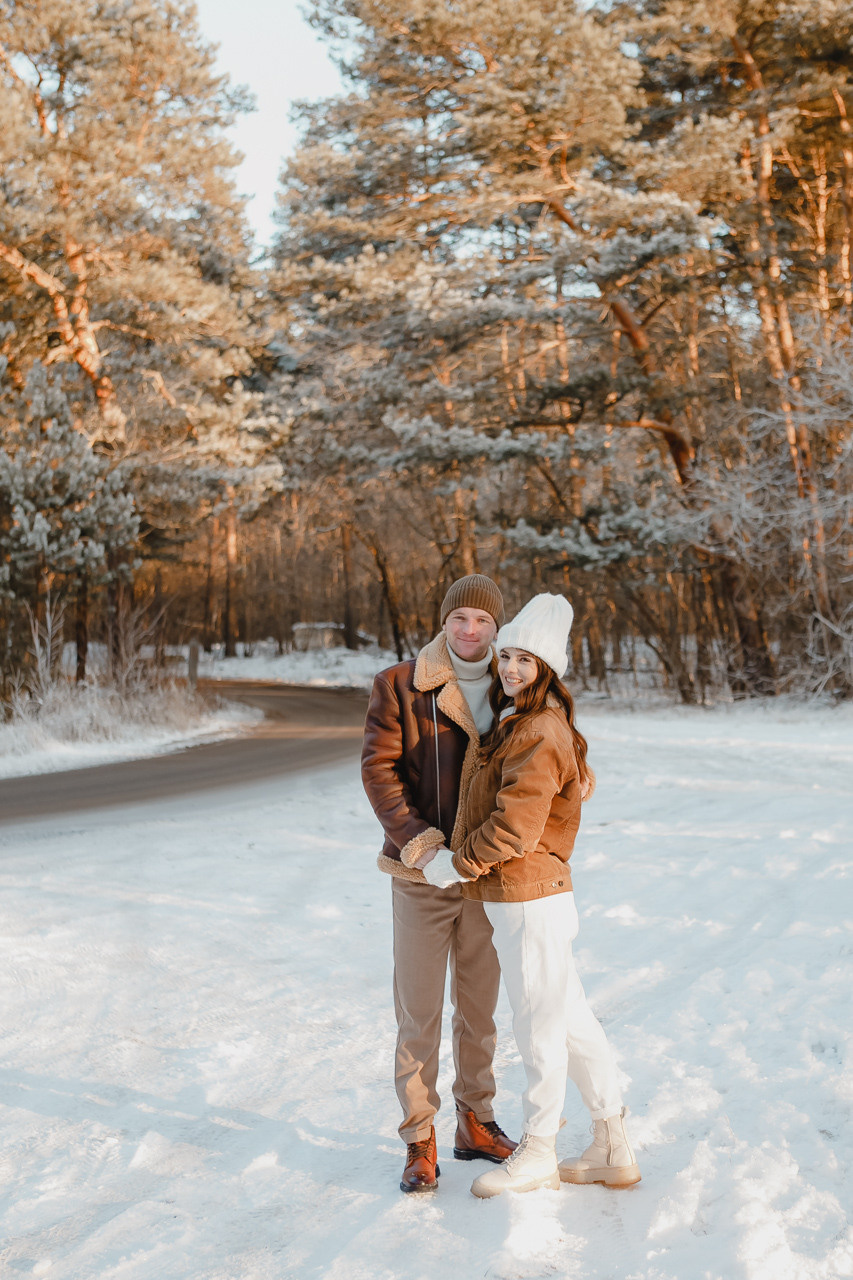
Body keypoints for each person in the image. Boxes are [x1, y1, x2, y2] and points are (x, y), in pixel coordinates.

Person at [414, 593, 641, 1197]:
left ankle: (539, 1149)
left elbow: (516, 825)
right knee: (569, 1020)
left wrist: (455, 866)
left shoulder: (539, 729)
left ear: (548, 670)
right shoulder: (518, 720)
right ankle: (613, 1145)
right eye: (506, 655)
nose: (510, 668)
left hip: (527, 898)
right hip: (526, 895)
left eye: (525, 659)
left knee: (539, 1024)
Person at [361, 574, 518, 1193]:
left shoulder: (517, 686)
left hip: (486, 877)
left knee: (479, 1011)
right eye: (460, 620)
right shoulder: (401, 685)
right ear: (444, 622)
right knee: (419, 1013)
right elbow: (380, 771)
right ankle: (419, 1137)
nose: (470, 631)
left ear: (498, 629)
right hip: (421, 875)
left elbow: (545, 754)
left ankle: (475, 1122)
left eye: (482, 621)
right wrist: (422, 846)